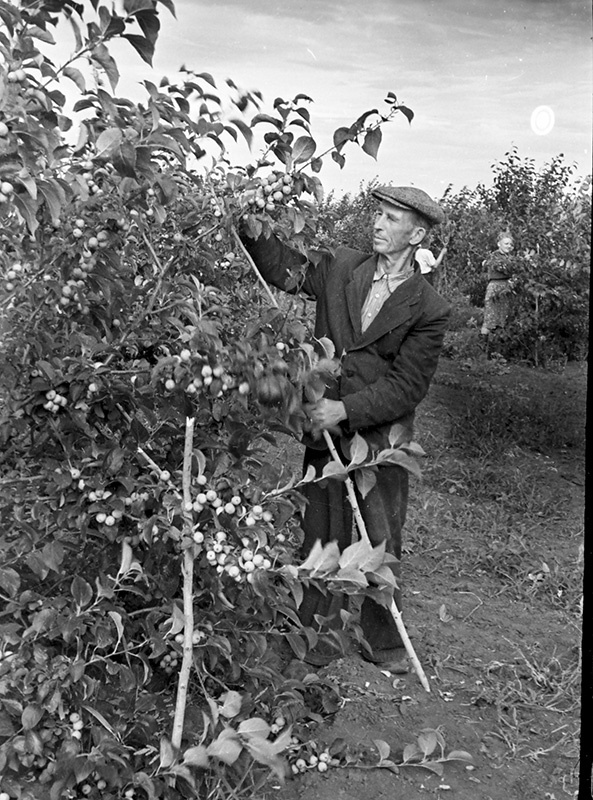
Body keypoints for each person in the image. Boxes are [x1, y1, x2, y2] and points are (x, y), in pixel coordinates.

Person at [241, 185, 450, 673]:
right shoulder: (339, 266)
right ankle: (314, 634)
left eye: (391, 218)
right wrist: (248, 223)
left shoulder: (429, 308)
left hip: (379, 438)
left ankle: (385, 639)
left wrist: (345, 410)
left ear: (416, 234)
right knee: (322, 526)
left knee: (380, 534)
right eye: (378, 213)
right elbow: (282, 268)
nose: (378, 223)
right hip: (325, 430)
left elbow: (407, 386)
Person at [480, 232, 514, 345]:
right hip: (495, 287)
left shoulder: (510, 257)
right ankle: (482, 346)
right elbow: (504, 268)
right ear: (499, 244)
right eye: (506, 243)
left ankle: (498, 346)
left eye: (510, 244)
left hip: (506, 287)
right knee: (490, 317)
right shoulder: (494, 256)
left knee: (503, 317)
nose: (508, 246)